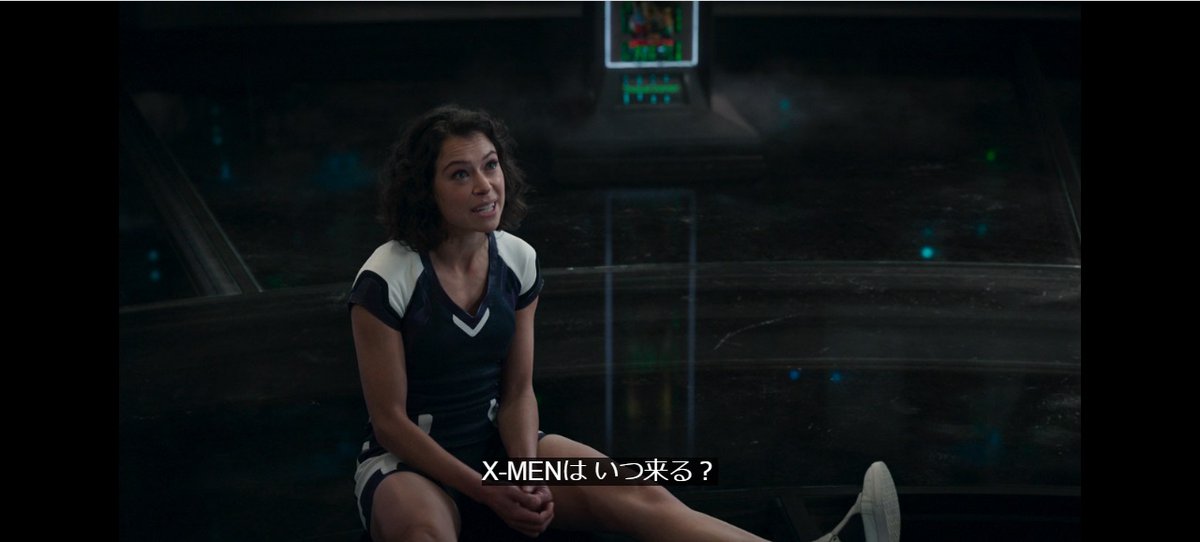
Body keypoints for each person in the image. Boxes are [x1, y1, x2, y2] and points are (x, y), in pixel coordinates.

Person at [347, 104, 899, 542]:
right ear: (426, 190)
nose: (484, 186)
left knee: (641, 491)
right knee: (423, 533)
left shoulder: (517, 258)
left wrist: (524, 477)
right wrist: (486, 492)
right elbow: (390, 422)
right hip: (411, 466)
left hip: (501, 453)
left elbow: (517, 392)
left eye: (490, 166)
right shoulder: (389, 274)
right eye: (459, 174)